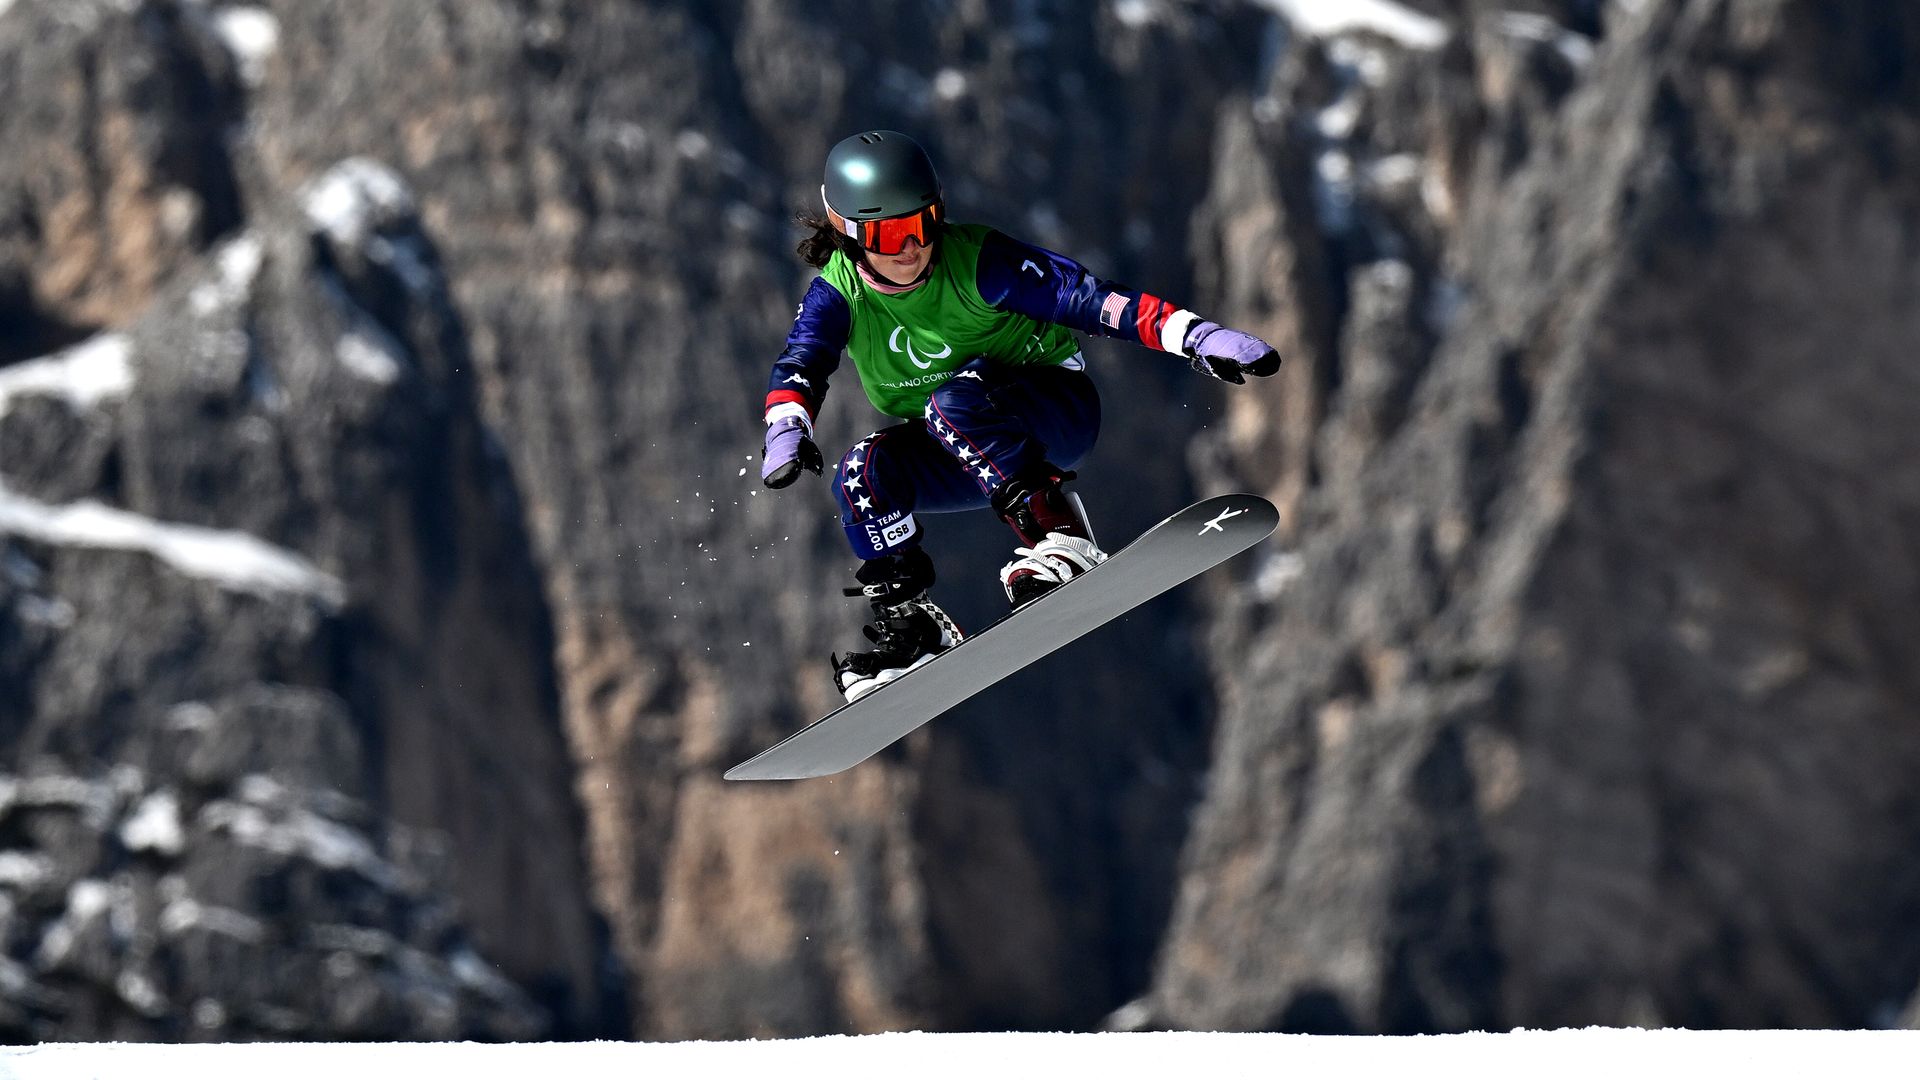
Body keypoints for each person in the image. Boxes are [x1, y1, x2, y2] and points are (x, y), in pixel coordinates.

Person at [761, 130, 1280, 703]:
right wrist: (787, 426)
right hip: (967, 447)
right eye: (889, 234)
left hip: (1053, 413)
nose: (911, 247)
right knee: (862, 472)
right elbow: (803, 363)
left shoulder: (980, 263)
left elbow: (1091, 299)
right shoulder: (838, 297)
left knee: (951, 402)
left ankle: (1061, 533)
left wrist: (1194, 336)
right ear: (847, 233)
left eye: (923, 224)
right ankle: (913, 630)